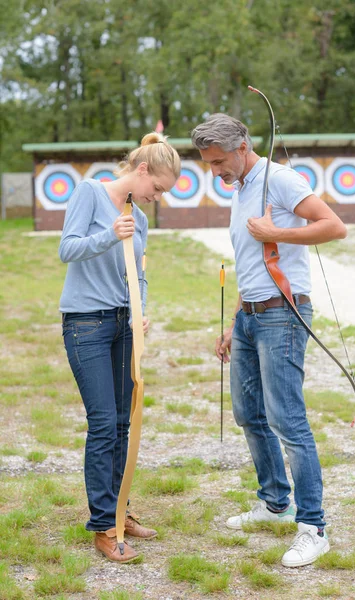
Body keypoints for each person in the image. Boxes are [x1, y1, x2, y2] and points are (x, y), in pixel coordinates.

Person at [191, 114, 347, 568]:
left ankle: (313, 527)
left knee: (287, 420)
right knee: (247, 413)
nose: (215, 171)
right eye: (209, 164)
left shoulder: (278, 179)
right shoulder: (241, 188)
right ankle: (276, 502)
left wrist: (277, 231)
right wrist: (235, 321)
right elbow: (253, 261)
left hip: (283, 315)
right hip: (251, 316)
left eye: (219, 161)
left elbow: (334, 226)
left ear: (242, 146)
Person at [59, 133, 181, 563]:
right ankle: (103, 528)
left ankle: (119, 508)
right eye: (158, 188)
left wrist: (141, 309)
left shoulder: (141, 221)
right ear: (142, 170)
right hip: (86, 324)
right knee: (105, 424)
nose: (157, 197)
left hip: (123, 325)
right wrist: (109, 235)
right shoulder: (89, 193)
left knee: (125, 426)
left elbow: (139, 275)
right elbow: (67, 249)